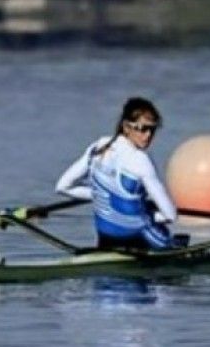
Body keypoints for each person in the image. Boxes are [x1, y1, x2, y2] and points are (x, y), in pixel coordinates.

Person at [55, 97, 185, 250]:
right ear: (126, 127)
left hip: (107, 238)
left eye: (153, 129)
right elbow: (170, 215)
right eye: (142, 128)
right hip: (139, 236)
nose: (148, 135)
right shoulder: (140, 159)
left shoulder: (99, 146)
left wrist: (100, 194)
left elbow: (63, 187)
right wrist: (151, 214)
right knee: (174, 242)